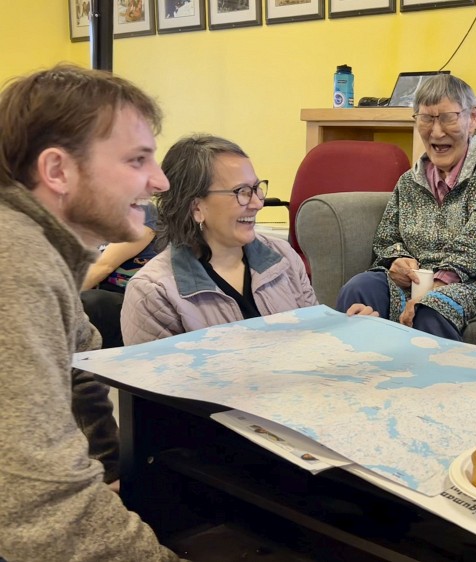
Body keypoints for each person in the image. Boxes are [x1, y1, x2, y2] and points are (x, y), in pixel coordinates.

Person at [0, 65, 181, 559]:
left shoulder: (36, 246)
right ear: (58, 171)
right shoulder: (16, 261)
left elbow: (81, 363)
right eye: (137, 159)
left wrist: (114, 473)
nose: (160, 181)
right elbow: (38, 505)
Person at [335, 74, 476, 340]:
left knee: (431, 308)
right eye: (426, 118)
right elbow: (386, 240)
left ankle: (431, 369)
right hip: (424, 280)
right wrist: (398, 262)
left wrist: (439, 283)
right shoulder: (410, 181)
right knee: (359, 288)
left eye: (447, 118)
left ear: (473, 118)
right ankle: (360, 364)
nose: (436, 131)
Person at [121, 135, 317, 345]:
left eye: (256, 188)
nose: (257, 203)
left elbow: (316, 341)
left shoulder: (283, 256)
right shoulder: (153, 292)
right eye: (241, 192)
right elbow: (158, 367)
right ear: (196, 207)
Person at [80, 202, 158, 348]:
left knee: (88, 303)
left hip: (133, 300)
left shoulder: (142, 211)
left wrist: (62, 298)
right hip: (103, 295)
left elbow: (104, 266)